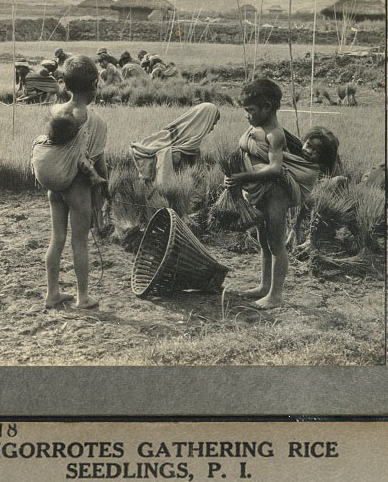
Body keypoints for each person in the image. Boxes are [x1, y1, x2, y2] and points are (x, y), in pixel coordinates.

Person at [223, 78, 318, 309]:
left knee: (276, 242)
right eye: (245, 110)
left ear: (267, 107)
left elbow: (275, 168)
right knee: (263, 240)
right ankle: (264, 287)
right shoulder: (255, 127)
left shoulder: (275, 134)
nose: (247, 114)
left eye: (251, 110)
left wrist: (243, 177)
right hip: (259, 191)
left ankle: (275, 295)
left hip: (276, 192)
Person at [40, 55, 108, 310]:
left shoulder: (56, 111)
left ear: (65, 85)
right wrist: (105, 185)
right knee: (79, 242)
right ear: (94, 84)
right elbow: (99, 159)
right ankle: (83, 298)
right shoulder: (95, 119)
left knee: (56, 239)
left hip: (55, 186)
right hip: (78, 186)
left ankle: (52, 294)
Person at [130, 102, 220, 189]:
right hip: (166, 193)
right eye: (212, 123)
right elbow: (151, 148)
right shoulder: (174, 135)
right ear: (203, 121)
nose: (212, 128)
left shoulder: (192, 144)